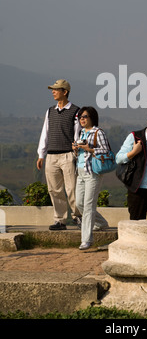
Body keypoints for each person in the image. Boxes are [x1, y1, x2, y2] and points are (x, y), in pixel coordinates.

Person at [37, 79, 81, 230]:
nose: (53, 92)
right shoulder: (50, 111)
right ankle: (60, 220)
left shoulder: (76, 111)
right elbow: (45, 133)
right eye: (53, 89)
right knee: (54, 189)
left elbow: (77, 135)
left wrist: (77, 153)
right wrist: (41, 154)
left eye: (56, 89)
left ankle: (78, 217)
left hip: (68, 155)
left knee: (72, 188)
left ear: (65, 92)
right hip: (52, 156)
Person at [73, 106, 110, 250]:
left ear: (92, 118)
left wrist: (90, 149)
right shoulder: (81, 133)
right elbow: (80, 155)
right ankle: (101, 223)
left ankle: (86, 240)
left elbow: (106, 150)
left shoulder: (98, 132)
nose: (82, 119)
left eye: (84, 116)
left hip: (93, 172)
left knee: (88, 205)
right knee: (80, 203)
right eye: (80, 117)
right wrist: (76, 150)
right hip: (80, 172)